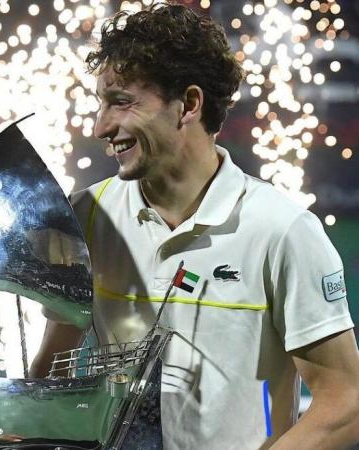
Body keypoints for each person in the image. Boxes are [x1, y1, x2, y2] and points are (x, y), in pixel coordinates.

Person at [31, 4, 359, 449]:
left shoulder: (283, 230)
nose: (101, 125)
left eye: (122, 102)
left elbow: (346, 402)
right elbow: (52, 372)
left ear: (188, 104)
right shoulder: (85, 216)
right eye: (101, 104)